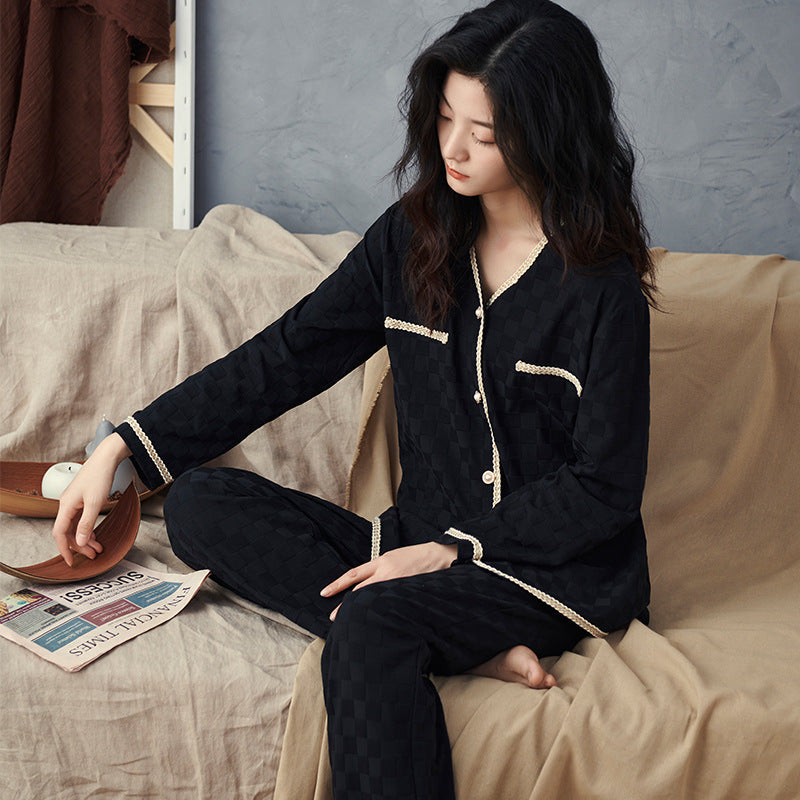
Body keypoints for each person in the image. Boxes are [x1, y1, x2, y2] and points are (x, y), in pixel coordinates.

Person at [52, 1, 657, 797]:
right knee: (198, 505)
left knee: (373, 620)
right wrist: (123, 445)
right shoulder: (413, 238)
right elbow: (286, 357)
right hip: (409, 544)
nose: (452, 147)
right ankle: (460, 645)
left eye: (483, 133)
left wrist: (454, 550)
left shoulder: (602, 288)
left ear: (548, 132)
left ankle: (427, 630)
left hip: (547, 575)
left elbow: (603, 487)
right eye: (445, 117)